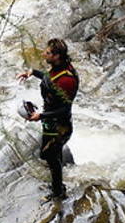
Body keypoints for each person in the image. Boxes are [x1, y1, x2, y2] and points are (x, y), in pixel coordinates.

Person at [17, 38, 79, 201]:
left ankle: (58, 192)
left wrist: (41, 116)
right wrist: (32, 72)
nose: (44, 54)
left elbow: (65, 108)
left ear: (57, 56)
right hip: (51, 121)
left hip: (60, 125)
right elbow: (49, 79)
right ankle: (57, 184)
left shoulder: (67, 80)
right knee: (49, 155)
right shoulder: (58, 69)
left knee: (50, 156)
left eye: (48, 53)